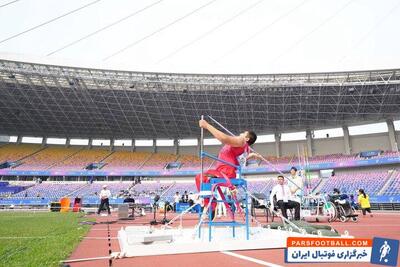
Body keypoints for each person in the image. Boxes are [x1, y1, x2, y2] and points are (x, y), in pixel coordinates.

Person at [195, 118, 260, 218]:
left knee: (200, 177)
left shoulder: (241, 141)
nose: (241, 133)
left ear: (246, 139)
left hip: (225, 171)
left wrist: (207, 126)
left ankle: (211, 203)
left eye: (244, 133)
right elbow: (241, 162)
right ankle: (210, 202)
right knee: (201, 178)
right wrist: (251, 155)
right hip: (224, 170)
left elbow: (224, 138)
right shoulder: (245, 147)